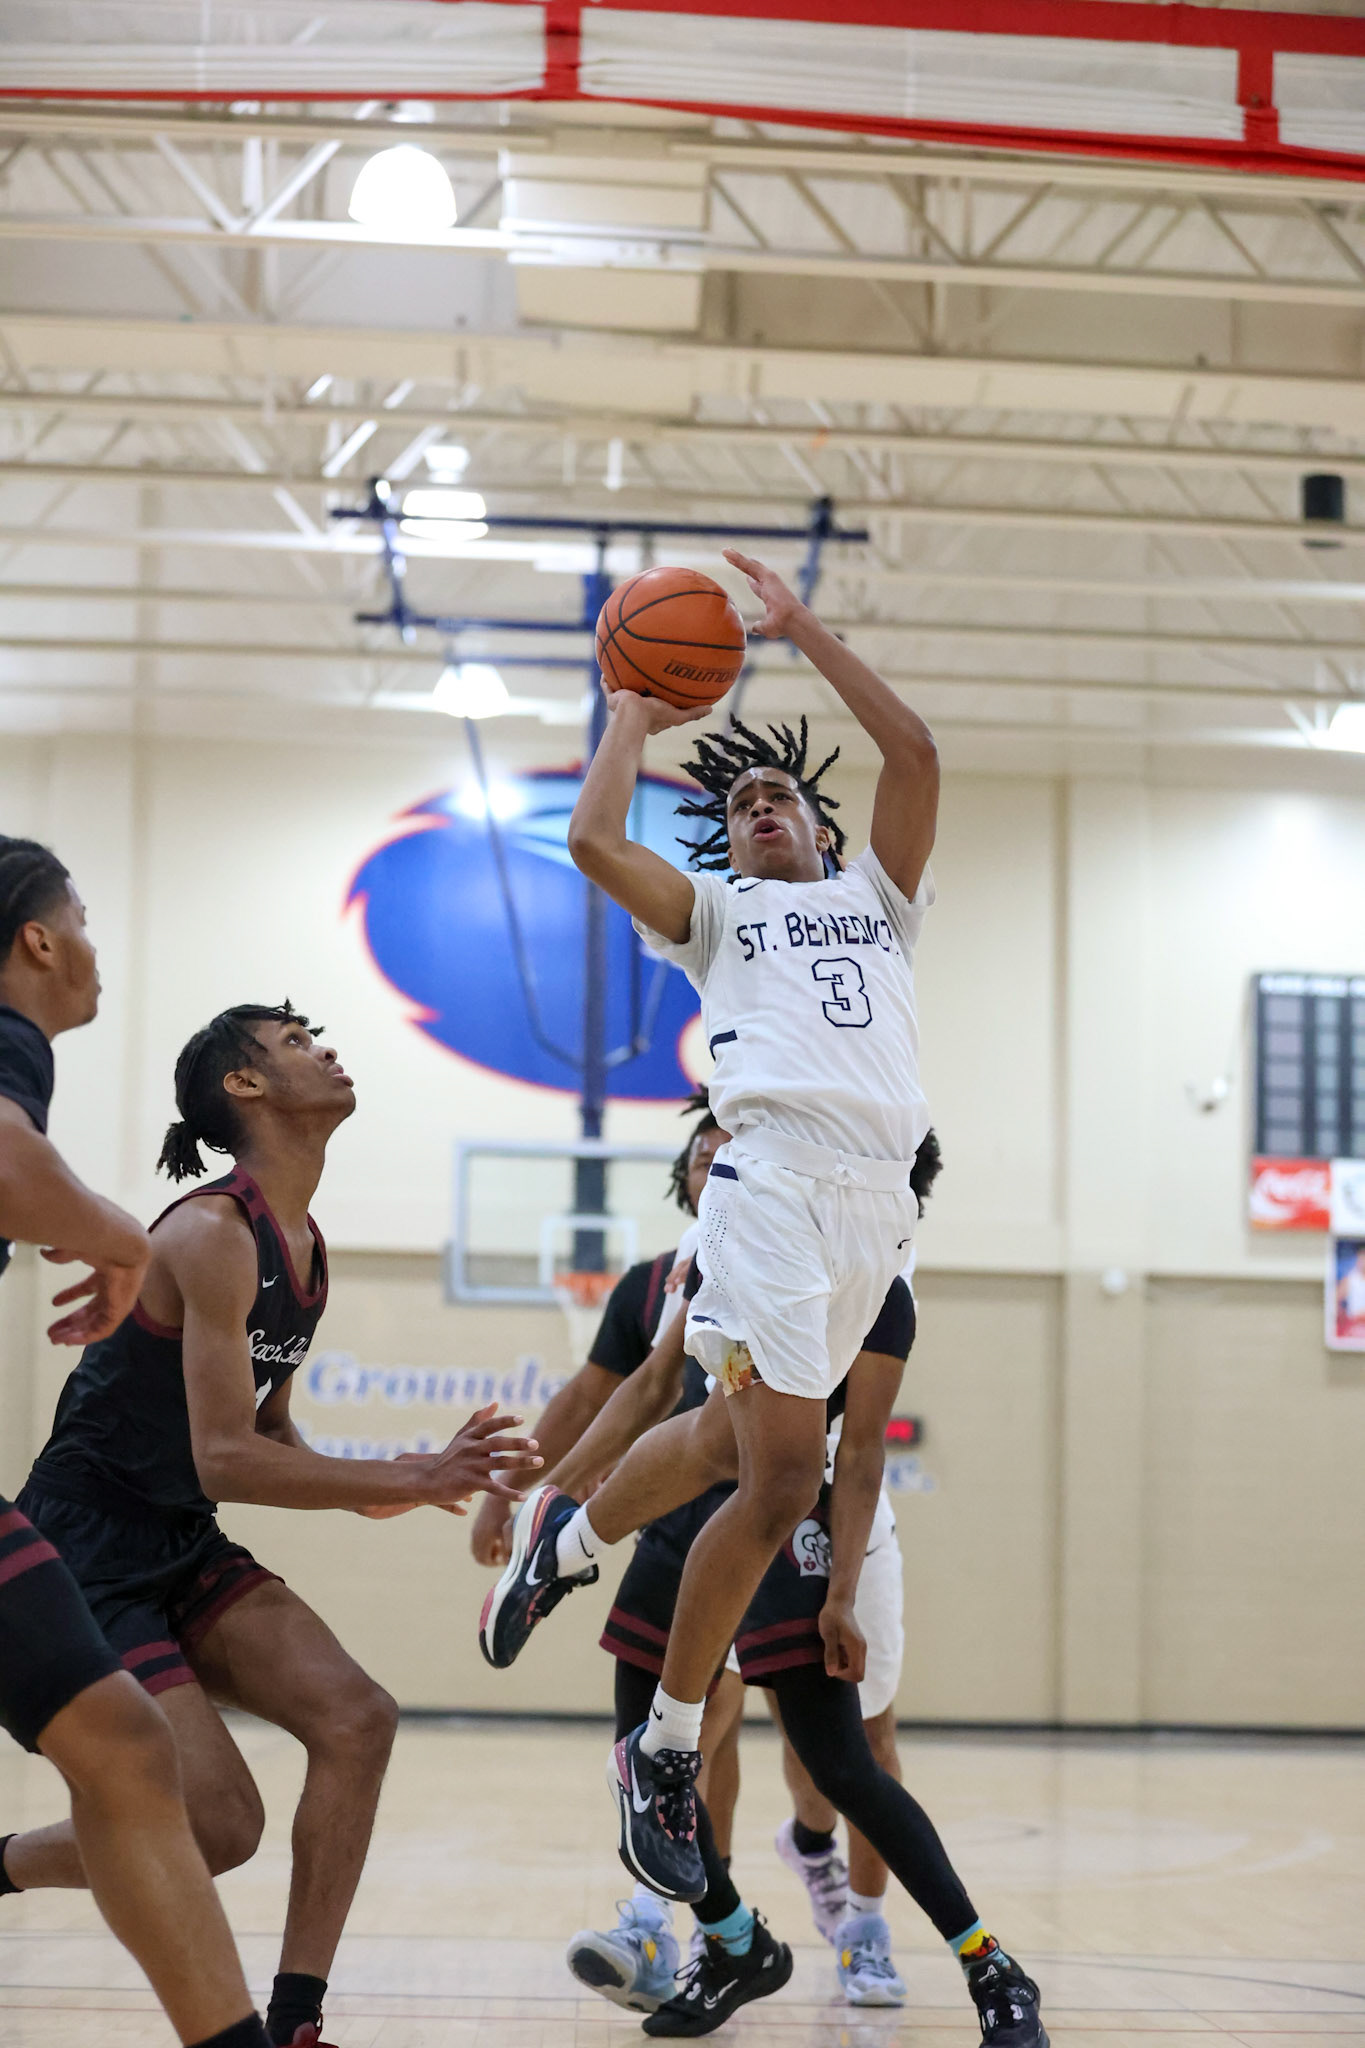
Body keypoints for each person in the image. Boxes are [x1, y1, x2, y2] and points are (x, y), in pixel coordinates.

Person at [481, 551, 1047, 2046]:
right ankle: (666, 1747)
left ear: (817, 814)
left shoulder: (881, 900)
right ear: (724, 845)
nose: (758, 812)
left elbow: (916, 750)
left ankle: (572, 1533)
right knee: (776, 1460)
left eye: (776, 797)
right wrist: (624, 705)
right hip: (773, 1174)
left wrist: (803, 632)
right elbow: (595, 839)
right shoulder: (720, 923)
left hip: (881, 1205)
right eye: (736, 808)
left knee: (748, 1455)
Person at [8, 997, 538, 2048]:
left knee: (359, 1716)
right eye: (297, 1042)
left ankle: (295, 2022)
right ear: (244, 1086)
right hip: (86, 1546)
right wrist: (391, 1469)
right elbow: (224, 1453)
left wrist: (397, 1482)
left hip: (178, 1536)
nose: (326, 1049)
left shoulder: (306, 1245)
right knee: (215, 1824)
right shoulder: (209, 1230)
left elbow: (269, 1434)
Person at [0, 835, 276, 2048]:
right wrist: (122, 1242)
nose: (96, 942)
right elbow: (10, 1164)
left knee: (123, 1745)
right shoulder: (8, 1036)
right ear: (39, 941)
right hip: (97, 1517)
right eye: (86, 917)